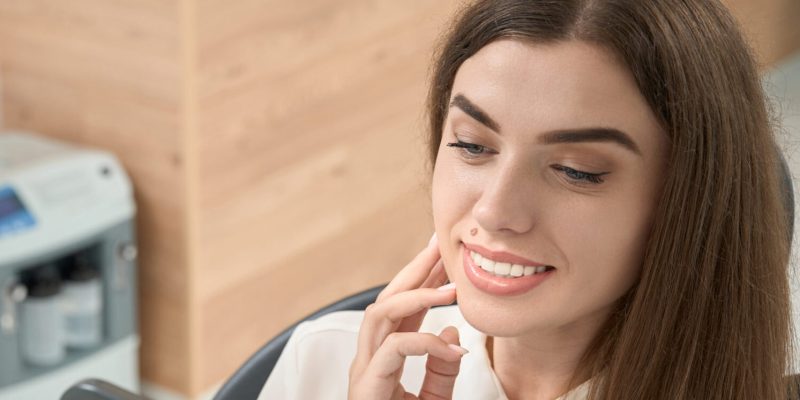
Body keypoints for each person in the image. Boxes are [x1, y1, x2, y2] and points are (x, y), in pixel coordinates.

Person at [258, 0, 795, 399]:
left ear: (686, 203)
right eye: (471, 145)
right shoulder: (322, 366)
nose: (494, 210)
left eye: (575, 172)